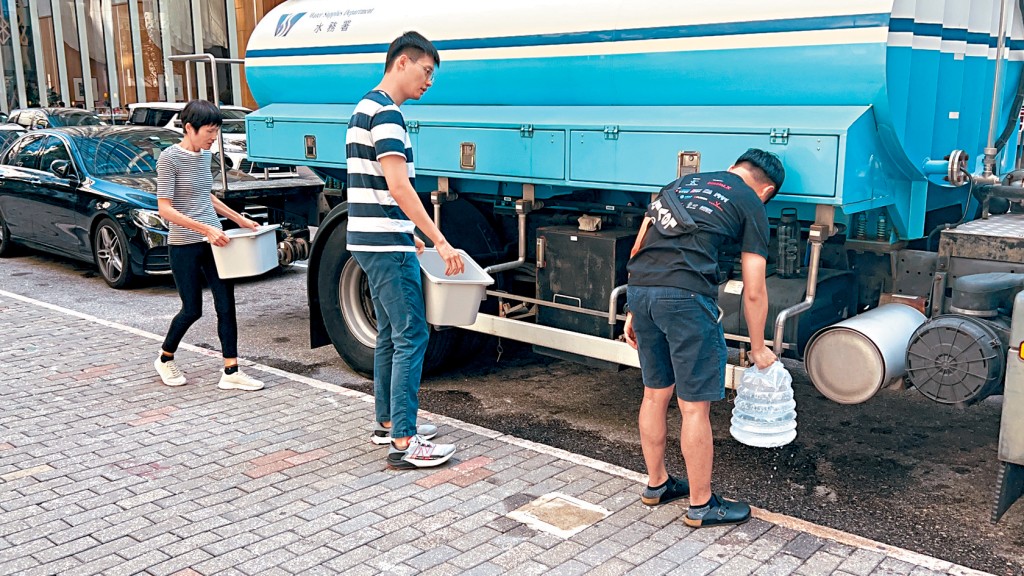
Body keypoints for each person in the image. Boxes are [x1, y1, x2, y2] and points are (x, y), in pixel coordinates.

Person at [624, 148, 785, 527]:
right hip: (684, 298)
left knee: (654, 393)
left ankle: (658, 484)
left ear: (733, 167)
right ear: (767, 190)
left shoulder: (676, 186)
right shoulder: (750, 202)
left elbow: (639, 246)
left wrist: (634, 308)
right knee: (693, 406)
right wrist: (758, 348)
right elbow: (755, 288)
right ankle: (700, 505)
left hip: (641, 289)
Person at [346, 32, 464, 470]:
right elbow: (398, 186)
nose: (429, 82)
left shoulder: (364, 107)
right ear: (401, 63)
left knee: (391, 334)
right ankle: (404, 438)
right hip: (384, 243)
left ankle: (387, 421)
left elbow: (372, 186)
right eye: (426, 71)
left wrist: (404, 231)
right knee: (413, 333)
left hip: (369, 237)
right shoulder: (388, 115)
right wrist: (438, 238)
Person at [154, 99, 265, 392]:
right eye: (210, 131)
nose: (213, 138)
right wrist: (204, 228)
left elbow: (207, 197)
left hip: (214, 241)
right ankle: (165, 358)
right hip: (185, 243)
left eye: (216, 131)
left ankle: (231, 370)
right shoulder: (169, 158)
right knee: (192, 309)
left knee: (226, 305)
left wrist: (239, 219)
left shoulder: (204, 157)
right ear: (189, 128)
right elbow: (165, 209)